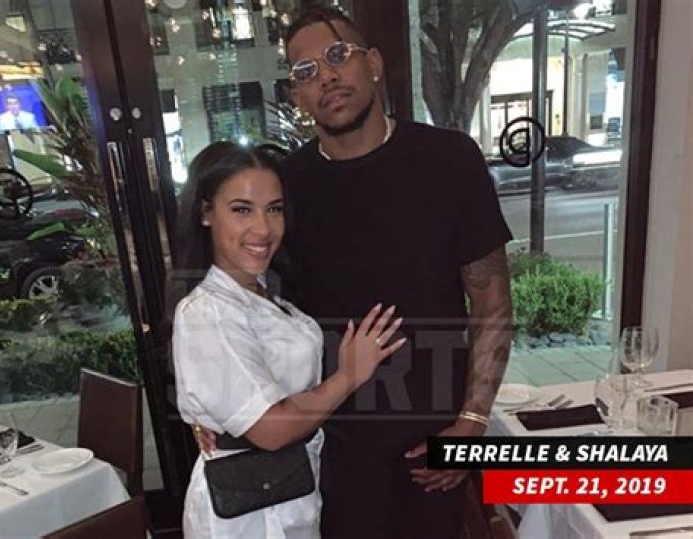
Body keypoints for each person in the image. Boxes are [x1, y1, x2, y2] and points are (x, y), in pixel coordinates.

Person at [196, 6, 513, 538]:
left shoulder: (449, 160)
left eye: (337, 55)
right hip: (330, 442)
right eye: (306, 71)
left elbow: (492, 300)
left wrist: (472, 424)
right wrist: (218, 400)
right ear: (297, 95)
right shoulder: (286, 188)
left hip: (434, 435)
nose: (325, 76)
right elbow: (247, 301)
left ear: (374, 64)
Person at [172, 141, 406, 538]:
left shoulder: (264, 292)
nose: (263, 228)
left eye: (274, 209)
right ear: (206, 213)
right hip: (248, 516)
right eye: (241, 209)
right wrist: (349, 375)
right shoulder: (207, 311)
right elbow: (272, 428)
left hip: (289, 490)